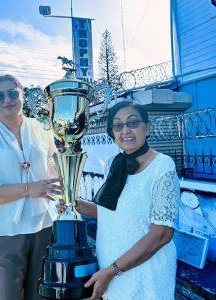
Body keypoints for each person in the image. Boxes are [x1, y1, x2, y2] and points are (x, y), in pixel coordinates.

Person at [58, 101, 180, 300]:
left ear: (147, 128)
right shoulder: (114, 164)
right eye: (118, 125)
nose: (125, 130)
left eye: (133, 123)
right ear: (112, 133)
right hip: (110, 271)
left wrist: (113, 270)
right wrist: (76, 204)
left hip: (144, 273)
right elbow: (112, 213)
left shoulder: (162, 166)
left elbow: (162, 233)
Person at [0, 74, 63, 300]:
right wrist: (29, 189)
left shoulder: (42, 131)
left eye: (12, 93)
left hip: (44, 226)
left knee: (40, 294)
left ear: (22, 95)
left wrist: (62, 184)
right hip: (5, 231)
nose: (7, 99)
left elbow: (54, 169)